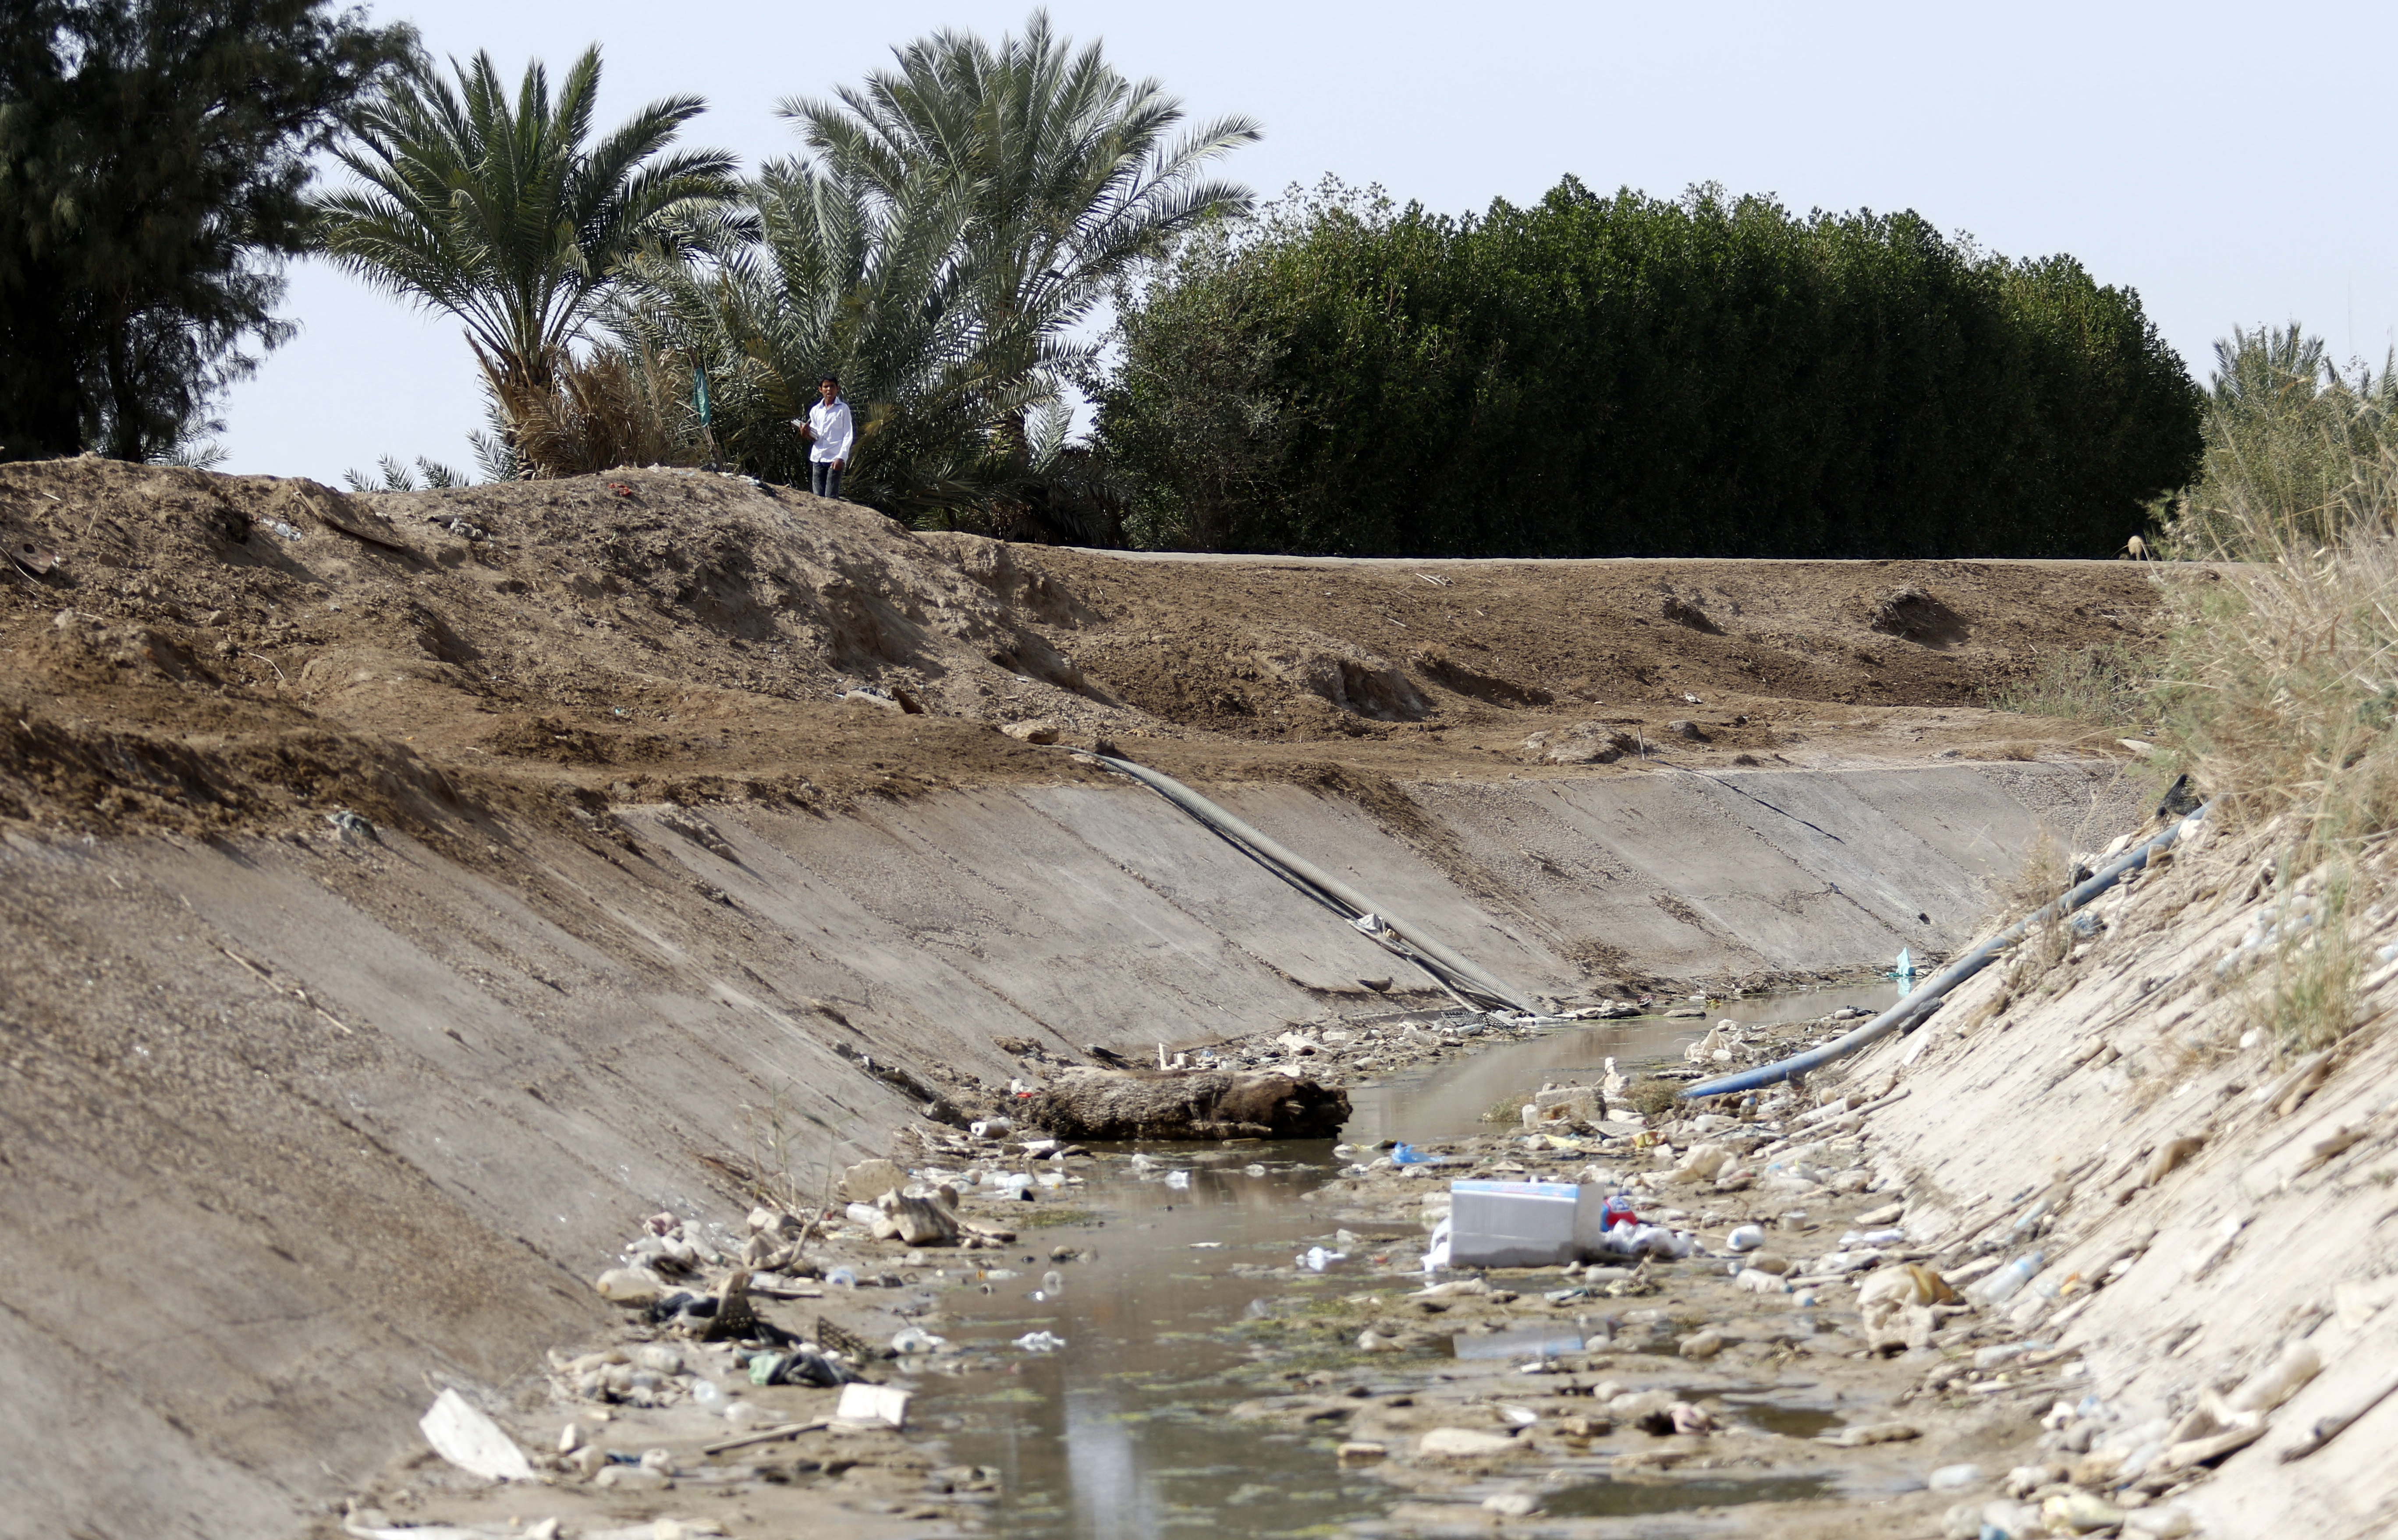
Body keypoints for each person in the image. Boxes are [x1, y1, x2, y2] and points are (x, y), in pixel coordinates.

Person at [796, 375, 854, 499]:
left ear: (838, 389)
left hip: (834, 459)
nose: (829, 390)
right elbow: (816, 436)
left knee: (831, 498)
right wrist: (806, 434)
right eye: (826, 387)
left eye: (832, 386)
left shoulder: (843, 410)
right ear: (820, 389)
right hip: (818, 458)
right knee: (818, 498)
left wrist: (841, 458)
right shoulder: (816, 410)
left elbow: (848, 435)